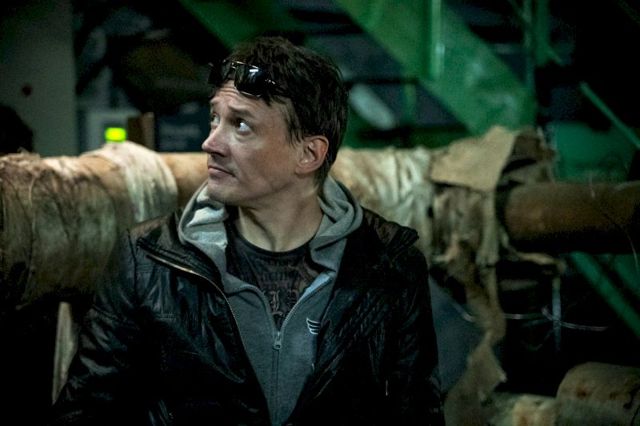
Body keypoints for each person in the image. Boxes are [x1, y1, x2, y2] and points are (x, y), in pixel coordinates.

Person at [49, 36, 444, 425]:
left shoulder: (389, 267)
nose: (210, 143)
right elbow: (85, 412)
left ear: (309, 153)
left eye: (241, 125)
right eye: (215, 118)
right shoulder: (147, 261)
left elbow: (417, 412)